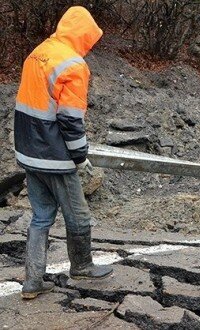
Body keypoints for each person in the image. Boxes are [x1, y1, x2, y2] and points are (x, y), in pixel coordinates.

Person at [14, 6, 112, 299]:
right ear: (83, 34)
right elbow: (70, 118)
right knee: (78, 216)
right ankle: (81, 265)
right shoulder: (73, 65)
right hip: (53, 154)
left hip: (28, 150)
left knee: (41, 216)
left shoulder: (40, 51)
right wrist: (80, 156)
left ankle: (32, 281)